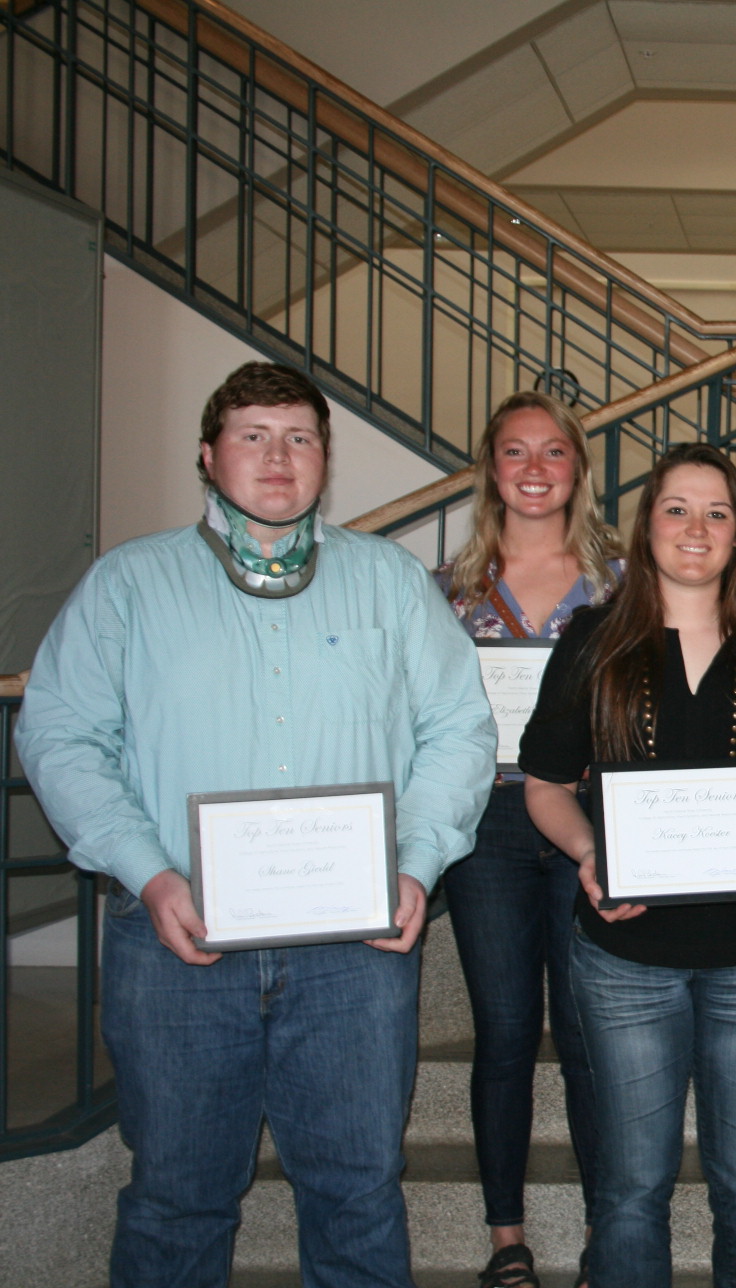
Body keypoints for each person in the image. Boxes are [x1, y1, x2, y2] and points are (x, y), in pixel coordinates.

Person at [16, 361, 496, 1287]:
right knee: (176, 1200)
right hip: (177, 946)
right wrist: (147, 871)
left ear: (325, 460)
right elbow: (62, 736)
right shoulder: (129, 586)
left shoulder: (391, 585)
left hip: (355, 952)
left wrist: (417, 862)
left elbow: (458, 731)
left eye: (301, 437)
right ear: (208, 455)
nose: (279, 458)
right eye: (253, 436)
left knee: (358, 1192)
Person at [519, 441, 736, 1288]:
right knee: (631, 1189)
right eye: (675, 509)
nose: (695, 529)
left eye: (717, 513)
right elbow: (546, 788)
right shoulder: (591, 640)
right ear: (645, 527)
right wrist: (590, 856)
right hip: (625, 957)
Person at [438, 390, 624, 1288]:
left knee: (589, 1035)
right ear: (491, 470)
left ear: (579, 469)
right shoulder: (447, 591)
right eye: (516, 452)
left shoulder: (627, 582)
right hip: (489, 827)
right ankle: (507, 1235)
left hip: (593, 816)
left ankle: (605, 1234)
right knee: (507, 1030)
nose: (537, 469)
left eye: (555, 452)